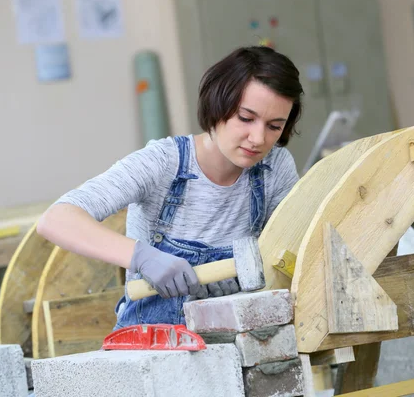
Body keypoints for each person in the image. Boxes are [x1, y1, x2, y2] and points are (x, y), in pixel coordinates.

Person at [36, 46, 304, 329]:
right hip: (153, 344)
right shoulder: (164, 162)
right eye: (246, 118)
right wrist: (141, 257)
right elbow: (57, 220)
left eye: (274, 126)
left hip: (238, 341)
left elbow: (289, 256)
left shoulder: (275, 167)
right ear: (217, 105)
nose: (258, 138)